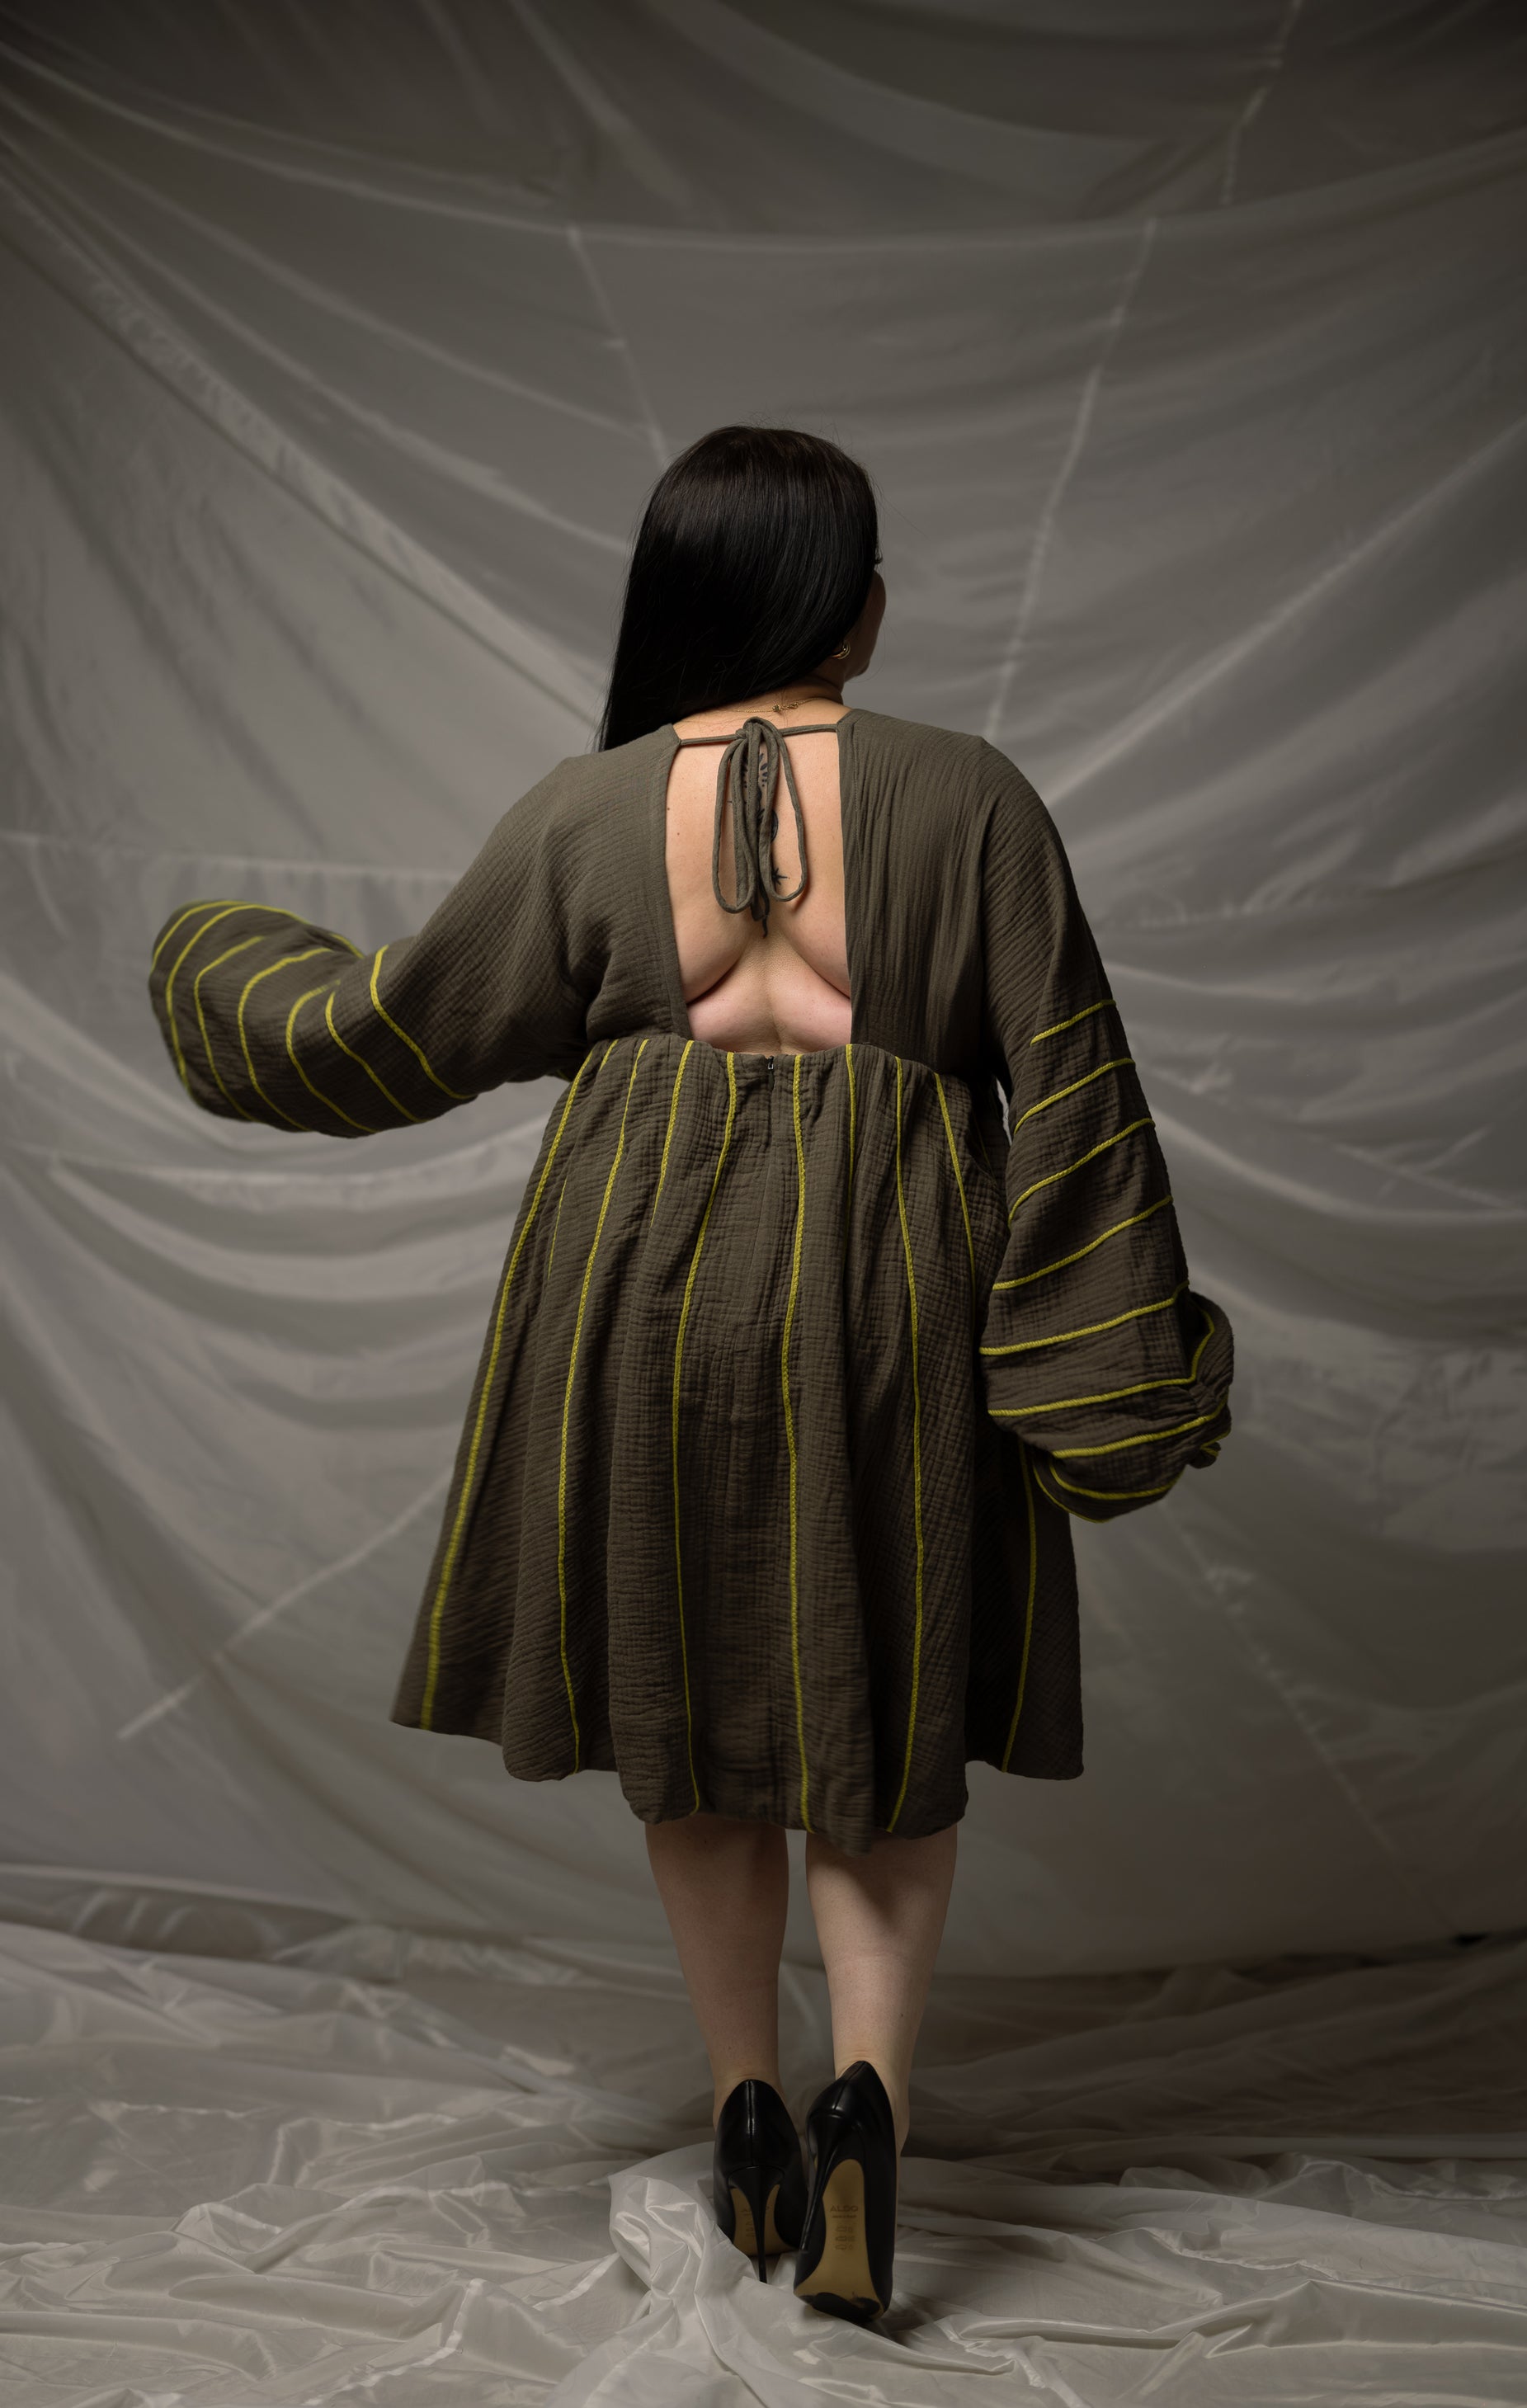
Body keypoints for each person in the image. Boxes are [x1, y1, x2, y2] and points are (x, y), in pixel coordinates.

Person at [148, 424, 1232, 2324]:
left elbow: (402, 1027)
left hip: (637, 1287)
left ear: (682, 600)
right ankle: (866, 2103)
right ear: (855, 608)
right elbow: (1074, 1086)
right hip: (897, 1282)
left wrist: (218, 964)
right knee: (881, 1698)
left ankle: (745, 2104)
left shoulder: (585, 811)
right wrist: (1122, 1358)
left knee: (683, 1676)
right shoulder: (968, 795)